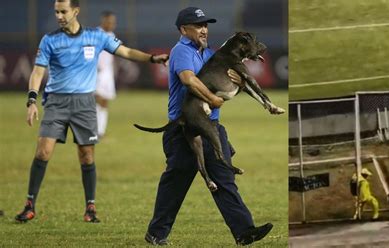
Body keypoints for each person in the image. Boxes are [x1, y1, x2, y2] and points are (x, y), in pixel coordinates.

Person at [15, 0, 168, 223]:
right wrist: (31, 100)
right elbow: (38, 72)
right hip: (56, 103)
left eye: (63, 11)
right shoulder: (49, 40)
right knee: (43, 152)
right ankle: (29, 205)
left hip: (84, 104)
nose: (59, 16)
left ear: (75, 11)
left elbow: (125, 51)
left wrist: (152, 58)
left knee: (86, 156)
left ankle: (90, 208)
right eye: (56, 11)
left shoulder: (96, 37)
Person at [144, 7, 272, 246]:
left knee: (224, 179)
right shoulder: (181, 51)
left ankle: (244, 232)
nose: (204, 29)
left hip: (211, 125)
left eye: (205, 24)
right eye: (198, 25)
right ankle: (156, 233)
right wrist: (213, 100)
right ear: (183, 29)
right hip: (184, 128)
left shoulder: (209, 53)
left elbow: (226, 82)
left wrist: (238, 80)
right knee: (176, 183)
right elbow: (188, 80)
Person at [95, 11, 117, 138]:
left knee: (105, 102)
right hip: (97, 72)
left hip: (107, 73)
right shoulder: (96, 34)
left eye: (113, 22)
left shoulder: (112, 35)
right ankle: (94, 130)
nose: (112, 24)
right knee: (97, 100)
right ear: (103, 21)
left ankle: (101, 131)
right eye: (109, 22)